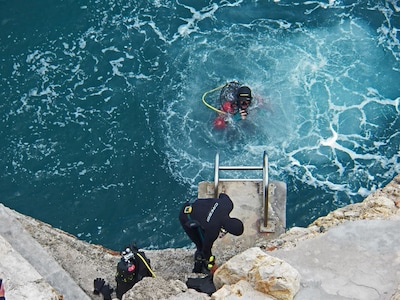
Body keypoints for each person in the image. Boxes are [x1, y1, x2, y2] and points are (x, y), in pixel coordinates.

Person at [178, 193, 244, 274]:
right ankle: (198, 268)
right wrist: (212, 264)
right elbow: (206, 250)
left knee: (203, 225)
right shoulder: (213, 231)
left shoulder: (227, 204)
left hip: (192, 203)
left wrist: (212, 209)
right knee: (201, 246)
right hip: (185, 215)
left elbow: (222, 195)